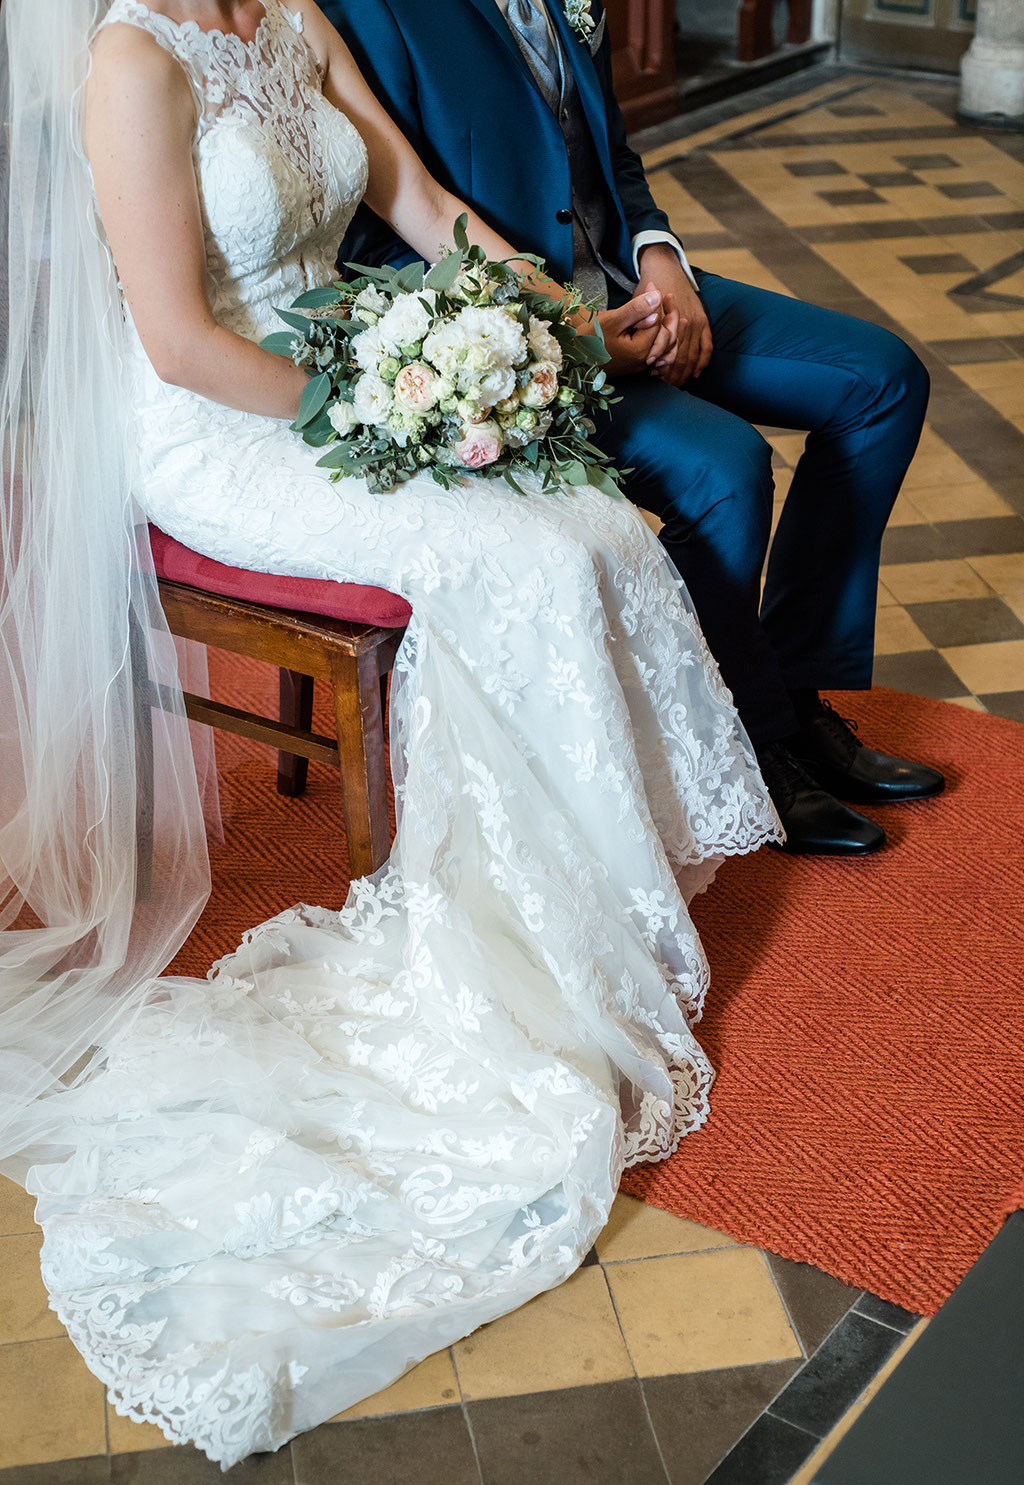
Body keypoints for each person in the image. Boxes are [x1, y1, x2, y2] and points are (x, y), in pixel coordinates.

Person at [0, 0, 781, 1468]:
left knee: (600, 522)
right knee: (522, 554)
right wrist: (392, 414)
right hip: (229, 424)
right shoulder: (132, 57)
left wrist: (540, 333)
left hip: (361, 373)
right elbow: (175, 345)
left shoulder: (292, 14)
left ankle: (589, 886)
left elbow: (419, 205)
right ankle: (508, 934)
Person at [324, 0, 945, 858]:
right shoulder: (368, 11)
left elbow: (609, 153)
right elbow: (379, 229)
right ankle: (753, 744)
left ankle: (799, 701)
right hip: (511, 336)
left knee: (881, 380)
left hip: (629, 285)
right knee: (724, 465)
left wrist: (663, 261)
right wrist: (565, 330)